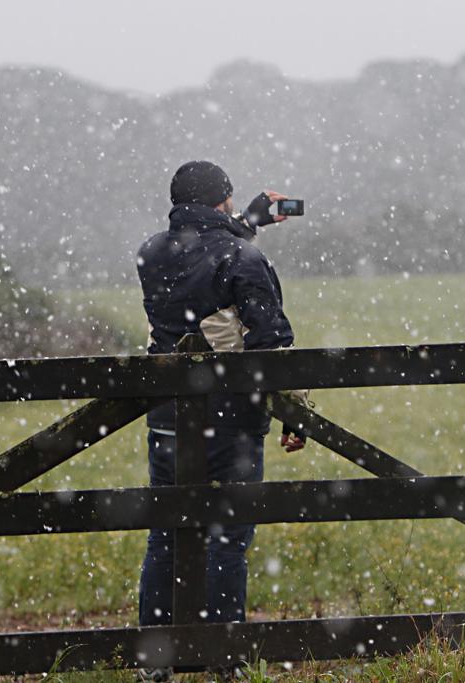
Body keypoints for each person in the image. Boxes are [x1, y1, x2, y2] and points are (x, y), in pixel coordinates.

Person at [135, 160, 306, 679]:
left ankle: (156, 659)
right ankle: (223, 656)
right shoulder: (241, 255)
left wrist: (250, 220)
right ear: (223, 200)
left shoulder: (152, 252)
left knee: (164, 535)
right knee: (227, 539)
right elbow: (271, 339)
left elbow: (199, 265)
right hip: (230, 422)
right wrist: (293, 412)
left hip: (167, 418)